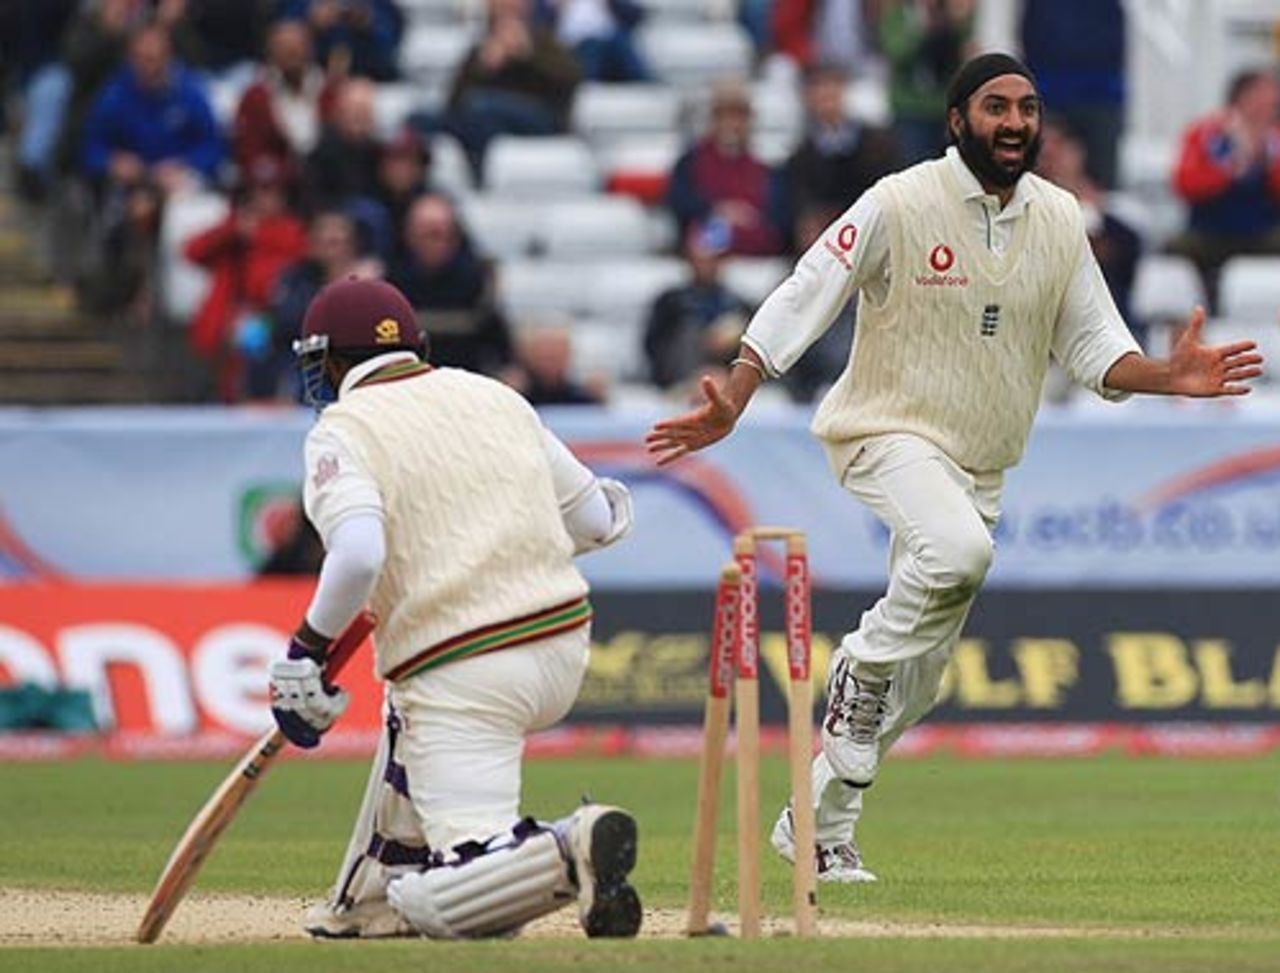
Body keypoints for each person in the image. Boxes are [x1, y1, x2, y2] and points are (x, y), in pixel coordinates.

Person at [646, 53, 1264, 884]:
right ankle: (858, 660)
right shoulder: (901, 201)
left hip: (980, 466)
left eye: (1027, 108)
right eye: (995, 107)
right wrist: (743, 387)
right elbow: (810, 285)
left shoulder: (1058, 219)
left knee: (925, 683)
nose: (1014, 123)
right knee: (959, 557)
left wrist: (1167, 376)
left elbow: (1093, 346)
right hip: (884, 432)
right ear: (956, 120)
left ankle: (819, 825)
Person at [267, 276, 639, 940]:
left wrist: (307, 653)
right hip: (562, 647)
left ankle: (566, 845)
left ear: (326, 362)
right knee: (401, 713)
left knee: (444, 900)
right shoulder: (495, 395)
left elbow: (356, 555)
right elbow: (594, 518)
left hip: (464, 669)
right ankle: (368, 899)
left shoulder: (342, 427)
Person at [1170, 69, 1280, 311]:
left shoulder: (1274, 138)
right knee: (1171, 252)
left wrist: (1265, 158)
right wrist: (1231, 169)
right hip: (1209, 230)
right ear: (1241, 97)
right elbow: (1184, 184)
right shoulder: (1205, 133)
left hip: (1262, 230)